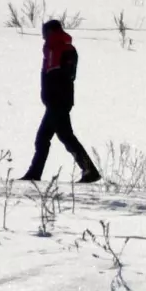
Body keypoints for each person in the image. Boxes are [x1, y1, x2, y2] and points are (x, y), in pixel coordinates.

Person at [20, 20, 101, 183]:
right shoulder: (52, 49)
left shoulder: (63, 49)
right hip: (55, 101)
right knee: (52, 137)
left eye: (44, 33)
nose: (43, 37)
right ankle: (87, 170)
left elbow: (67, 75)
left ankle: (89, 170)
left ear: (50, 31)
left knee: (58, 137)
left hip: (58, 101)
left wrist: (54, 95)